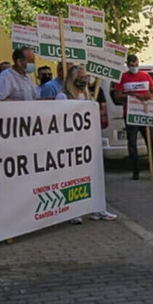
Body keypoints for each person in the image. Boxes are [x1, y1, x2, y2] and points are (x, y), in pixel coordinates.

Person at [55, 65, 119, 225]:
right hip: (71, 144)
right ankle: (73, 211)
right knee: (73, 178)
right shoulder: (63, 97)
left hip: (89, 143)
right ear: (72, 78)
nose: (84, 80)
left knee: (94, 175)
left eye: (86, 77)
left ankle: (98, 209)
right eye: (81, 77)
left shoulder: (88, 96)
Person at [114, 54, 153, 180]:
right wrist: (133, 96)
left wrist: (149, 96)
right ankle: (136, 171)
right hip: (131, 115)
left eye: (136, 65)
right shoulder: (123, 77)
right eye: (132, 66)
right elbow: (117, 96)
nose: (134, 67)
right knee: (132, 144)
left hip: (146, 113)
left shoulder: (145, 75)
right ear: (128, 65)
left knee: (151, 142)